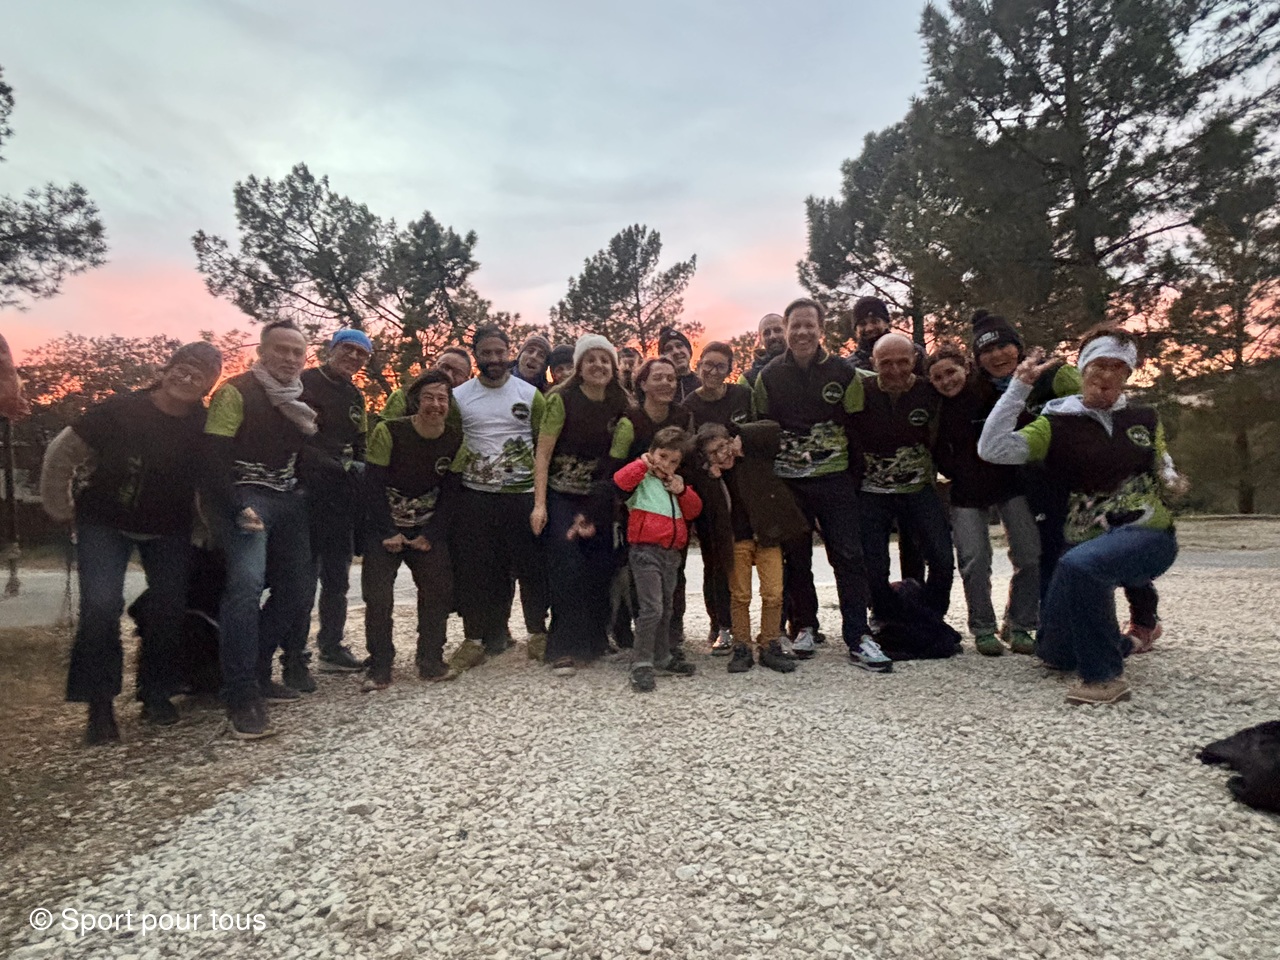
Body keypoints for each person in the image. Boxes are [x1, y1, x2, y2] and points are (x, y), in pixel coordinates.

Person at [978, 330, 1185, 705]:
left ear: (1128, 374)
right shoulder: (1055, 423)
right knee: (1055, 653)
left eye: (1118, 368)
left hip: (1146, 531)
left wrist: (1173, 480)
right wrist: (1018, 388)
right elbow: (992, 449)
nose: (1107, 375)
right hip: (1084, 538)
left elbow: (1163, 463)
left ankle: (1104, 679)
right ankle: (1129, 642)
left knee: (1081, 566)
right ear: (1082, 369)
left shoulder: (1144, 417)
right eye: (1099, 365)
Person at [40, 342, 222, 744]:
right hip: (104, 520)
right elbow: (63, 452)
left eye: (200, 375)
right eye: (182, 368)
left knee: (170, 607)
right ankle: (99, 706)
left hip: (169, 527)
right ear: (166, 369)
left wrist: (208, 528)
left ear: (208, 387)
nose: (187, 377)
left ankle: (156, 691)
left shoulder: (204, 426)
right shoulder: (119, 409)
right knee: (100, 606)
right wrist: (59, 506)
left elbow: (210, 481)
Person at [752, 298, 889, 671]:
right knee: (796, 557)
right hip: (790, 482)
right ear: (786, 329)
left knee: (849, 556)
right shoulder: (769, 377)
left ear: (821, 330)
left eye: (809, 325)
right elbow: (762, 429)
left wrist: (854, 479)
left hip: (835, 480)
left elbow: (858, 428)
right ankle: (805, 626)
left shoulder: (843, 373)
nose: (802, 332)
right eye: (795, 325)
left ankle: (858, 635)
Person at [204, 320, 321, 738]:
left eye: (297, 352)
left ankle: (256, 668)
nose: (289, 358)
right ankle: (240, 696)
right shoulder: (236, 392)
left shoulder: (299, 399)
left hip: (289, 500)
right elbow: (213, 456)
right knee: (246, 588)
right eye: (281, 349)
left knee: (297, 590)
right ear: (262, 352)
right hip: (246, 498)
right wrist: (237, 505)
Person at [448, 325, 549, 673]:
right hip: (476, 496)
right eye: (486, 353)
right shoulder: (459, 396)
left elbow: (543, 448)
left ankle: (538, 634)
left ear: (510, 353)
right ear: (476, 355)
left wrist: (541, 500)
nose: (493, 359)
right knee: (478, 571)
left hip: (521, 496)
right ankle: (474, 640)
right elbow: (451, 441)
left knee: (531, 569)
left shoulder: (530, 395)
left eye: (499, 352)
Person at [929, 344, 1040, 656]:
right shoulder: (935, 409)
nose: (946, 381)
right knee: (974, 560)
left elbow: (1022, 423)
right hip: (965, 491)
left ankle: (1019, 624)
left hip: (1010, 484)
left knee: (1029, 555)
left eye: (951, 372)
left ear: (966, 367)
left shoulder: (991, 393)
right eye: (937, 377)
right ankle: (983, 627)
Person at [531, 335, 629, 675]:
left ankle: (596, 640)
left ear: (613, 367)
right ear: (579, 366)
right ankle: (563, 647)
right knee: (567, 565)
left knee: (599, 565)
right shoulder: (561, 400)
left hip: (599, 498)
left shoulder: (621, 403)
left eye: (605, 360)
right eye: (591, 359)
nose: (598, 365)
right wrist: (539, 504)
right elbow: (543, 455)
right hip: (562, 495)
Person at [361, 369, 462, 691]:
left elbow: (452, 493)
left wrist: (431, 535)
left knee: (438, 591)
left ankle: (430, 659)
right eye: (429, 397)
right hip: (385, 526)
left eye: (442, 398)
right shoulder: (389, 431)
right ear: (416, 400)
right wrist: (386, 531)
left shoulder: (456, 439)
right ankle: (380, 664)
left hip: (426, 527)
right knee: (378, 597)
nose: (435, 405)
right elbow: (372, 485)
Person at [695, 421, 807, 674]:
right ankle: (742, 645)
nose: (722, 455)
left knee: (774, 592)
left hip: (767, 535)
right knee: (740, 595)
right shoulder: (709, 478)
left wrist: (741, 438)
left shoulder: (754, 458)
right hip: (737, 539)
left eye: (724, 446)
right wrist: (712, 478)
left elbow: (771, 428)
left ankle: (770, 644)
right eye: (713, 452)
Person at [608, 357, 695, 653]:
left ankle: (671, 638)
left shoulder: (683, 416)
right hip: (637, 507)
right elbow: (614, 468)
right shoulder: (629, 421)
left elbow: (689, 462)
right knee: (638, 576)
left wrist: (683, 489)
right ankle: (638, 639)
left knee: (675, 574)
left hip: (673, 505)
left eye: (671, 378)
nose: (666, 383)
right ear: (642, 383)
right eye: (658, 377)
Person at [298, 328, 372, 679]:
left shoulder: (356, 396)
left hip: (341, 497)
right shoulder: (304, 382)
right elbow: (296, 439)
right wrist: (340, 466)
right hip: (304, 492)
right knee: (302, 579)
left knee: (337, 577)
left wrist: (362, 470)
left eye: (362, 354)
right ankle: (295, 656)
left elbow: (361, 442)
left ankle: (331, 646)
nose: (353, 357)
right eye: (348, 349)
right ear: (331, 349)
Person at [614, 426, 702, 693]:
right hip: (645, 551)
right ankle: (641, 662)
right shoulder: (641, 480)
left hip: (671, 554)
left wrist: (682, 490)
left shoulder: (674, 483)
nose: (666, 465)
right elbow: (620, 481)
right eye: (662, 457)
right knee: (651, 609)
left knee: (666, 608)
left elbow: (694, 510)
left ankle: (662, 656)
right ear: (652, 453)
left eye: (673, 461)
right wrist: (643, 464)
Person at [680, 340, 754, 653]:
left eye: (720, 366)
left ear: (729, 370)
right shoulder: (689, 405)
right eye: (708, 364)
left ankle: (756, 623)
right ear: (698, 366)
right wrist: (706, 467)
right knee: (715, 558)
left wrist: (741, 443)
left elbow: (757, 428)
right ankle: (720, 623)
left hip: (742, 485)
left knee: (745, 552)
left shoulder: (742, 395)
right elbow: (686, 450)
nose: (713, 371)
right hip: (709, 487)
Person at [380, 346, 472, 420]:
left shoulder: (469, 407)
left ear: (466, 380)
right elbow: (384, 431)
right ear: (433, 367)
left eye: (457, 372)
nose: (448, 374)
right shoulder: (403, 396)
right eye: (444, 367)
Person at [739, 313, 786, 388]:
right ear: (760, 339)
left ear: (788, 332)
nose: (773, 336)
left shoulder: (804, 365)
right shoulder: (748, 380)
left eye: (777, 330)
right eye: (766, 333)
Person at [659, 327, 702, 403]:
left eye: (679, 346)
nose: (676, 352)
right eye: (669, 349)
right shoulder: (660, 390)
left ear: (689, 350)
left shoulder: (704, 384)